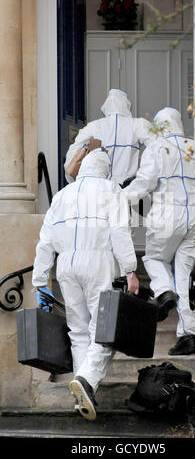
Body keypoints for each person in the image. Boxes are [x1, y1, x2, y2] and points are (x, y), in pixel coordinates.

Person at [32, 148, 139, 421]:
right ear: (105, 169)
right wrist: (130, 269)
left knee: (78, 329)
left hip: (66, 264)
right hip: (98, 261)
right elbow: (120, 231)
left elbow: (45, 240)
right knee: (105, 329)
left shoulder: (62, 195)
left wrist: (40, 280)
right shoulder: (111, 189)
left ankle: (81, 393)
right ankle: (87, 380)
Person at [123, 107, 195, 356]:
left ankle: (163, 292)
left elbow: (144, 183)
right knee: (185, 276)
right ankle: (189, 336)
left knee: (154, 258)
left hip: (167, 213)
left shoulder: (157, 149)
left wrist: (120, 197)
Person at [64, 89, 154, 185]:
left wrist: (72, 179)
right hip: (127, 188)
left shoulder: (94, 126)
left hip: (100, 187)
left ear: (106, 106)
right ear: (127, 105)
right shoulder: (138, 125)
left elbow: (73, 152)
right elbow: (157, 147)